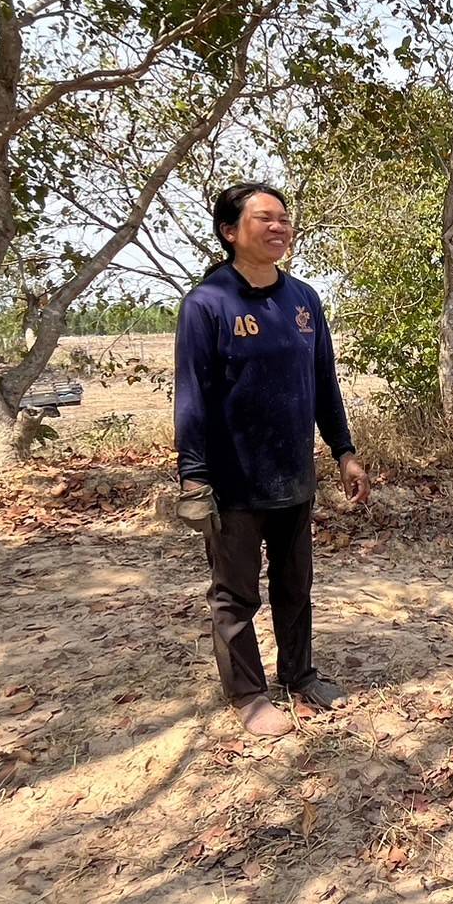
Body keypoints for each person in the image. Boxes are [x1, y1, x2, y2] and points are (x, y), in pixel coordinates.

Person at [174, 182, 371, 738]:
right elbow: (192, 397)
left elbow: (323, 382)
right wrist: (193, 475)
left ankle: (300, 676)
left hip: (293, 475)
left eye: (284, 217)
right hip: (233, 482)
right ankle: (248, 695)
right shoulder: (207, 304)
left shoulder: (303, 299)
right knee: (235, 595)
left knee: (294, 586)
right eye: (264, 218)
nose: (279, 226)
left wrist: (344, 451)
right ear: (230, 231)